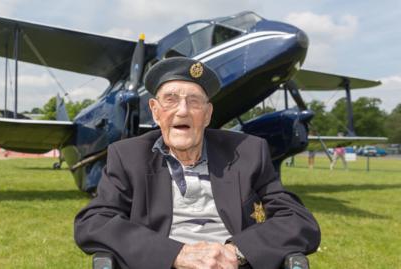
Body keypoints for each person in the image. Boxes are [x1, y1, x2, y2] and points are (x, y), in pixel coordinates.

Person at [74, 57, 320, 269]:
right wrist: (176, 254)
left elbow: (298, 221)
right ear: (155, 111)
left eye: (194, 101)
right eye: (170, 100)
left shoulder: (248, 152)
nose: (183, 111)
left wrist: (238, 251)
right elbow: (94, 222)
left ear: (208, 114)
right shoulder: (128, 156)